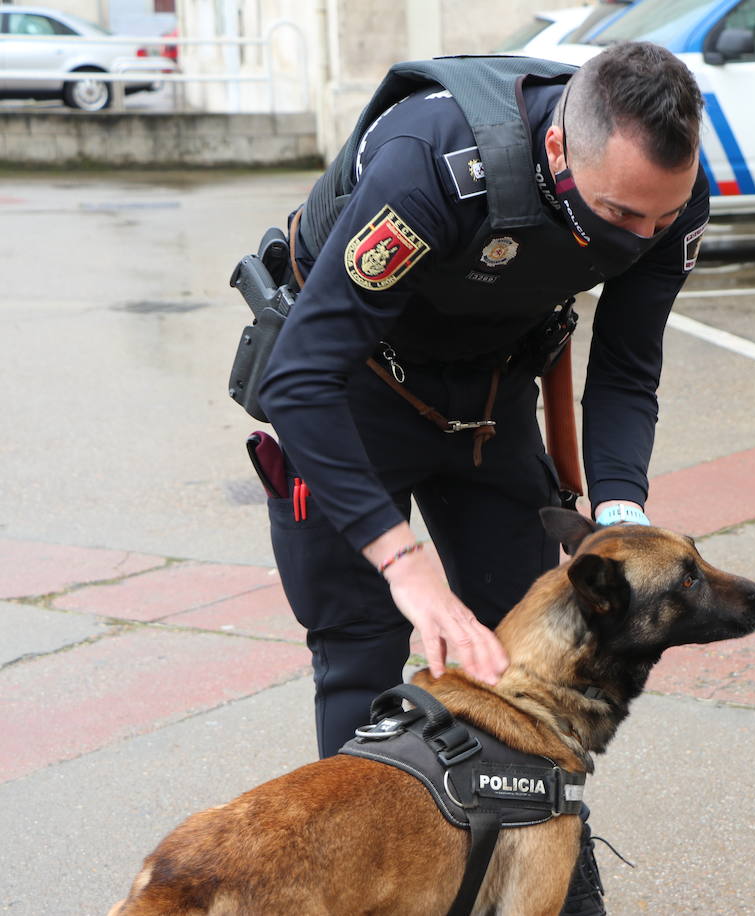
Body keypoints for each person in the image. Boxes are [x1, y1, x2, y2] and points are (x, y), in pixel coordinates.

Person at [252, 42, 708, 914]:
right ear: (558, 154)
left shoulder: (666, 196)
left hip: (489, 400)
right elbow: (297, 376)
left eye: (662, 218)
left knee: (539, 654)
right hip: (355, 394)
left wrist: (620, 511)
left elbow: (626, 368)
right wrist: (401, 561)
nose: (640, 238)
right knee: (362, 661)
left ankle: (558, 889)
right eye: (620, 215)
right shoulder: (433, 165)